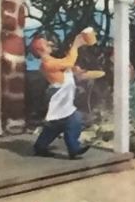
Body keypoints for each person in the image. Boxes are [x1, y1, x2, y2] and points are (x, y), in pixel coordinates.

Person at [31, 27, 104, 157]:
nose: (50, 44)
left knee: (56, 124)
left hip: (62, 93)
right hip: (59, 94)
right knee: (74, 118)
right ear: (40, 50)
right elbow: (68, 62)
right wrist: (75, 45)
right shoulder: (47, 63)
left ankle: (40, 146)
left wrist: (76, 71)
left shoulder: (50, 61)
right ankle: (74, 148)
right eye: (46, 44)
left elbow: (65, 66)